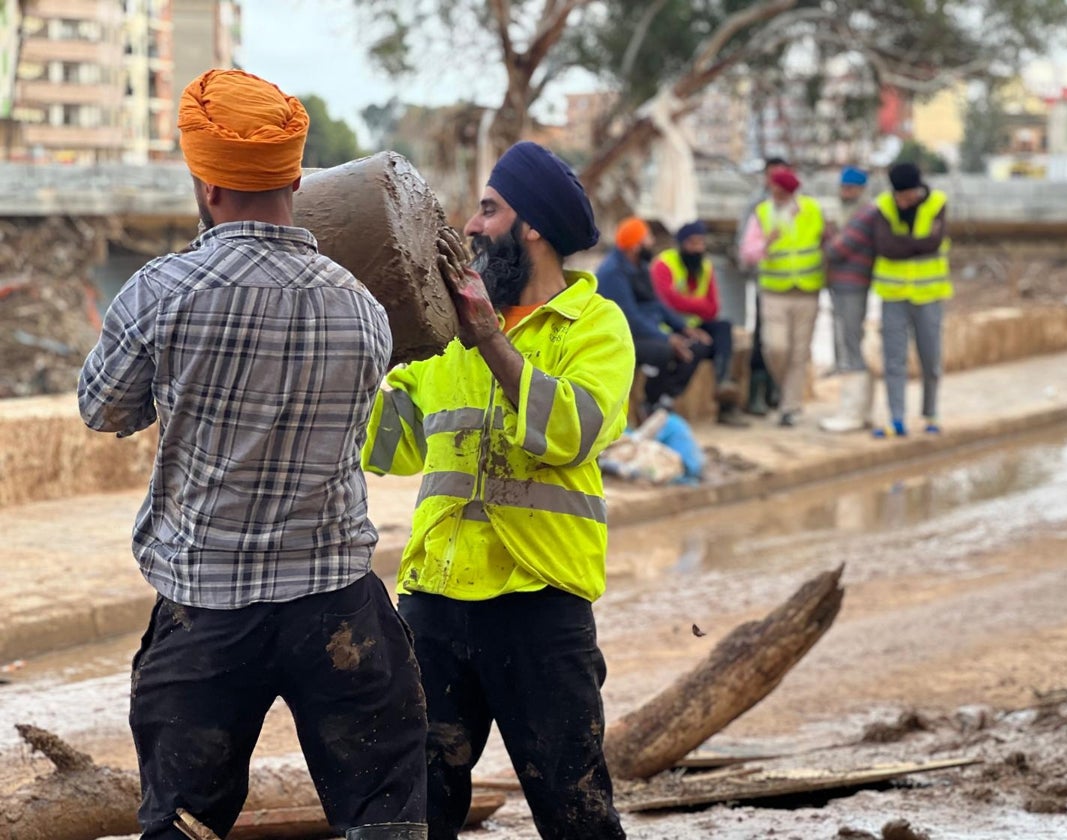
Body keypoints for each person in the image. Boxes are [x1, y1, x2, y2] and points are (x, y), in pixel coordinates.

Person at [77, 69, 427, 840]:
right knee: (384, 821)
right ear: (295, 177)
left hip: (206, 612)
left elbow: (104, 410)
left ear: (207, 186)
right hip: (338, 608)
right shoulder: (362, 309)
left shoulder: (159, 292)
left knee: (185, 827)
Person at [362, 141, 632, 840]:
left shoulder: (596, 328)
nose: (473, 227)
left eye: (489, 209)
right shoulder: (446, 337)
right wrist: (367, 353)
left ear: (532, 226)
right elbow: (389, 449)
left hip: (540, 606)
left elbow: (569, 433)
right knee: (414, 814)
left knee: (577, 816)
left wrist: (490, 338)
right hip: (435, 600)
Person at [596, 216, 713, 416]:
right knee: (666, 351)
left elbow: (657, 304)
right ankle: (649, 402)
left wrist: (683, 328)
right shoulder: (612, 272)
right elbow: (629, 317)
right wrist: (668, 338)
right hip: (624, 335)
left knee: (696, 345)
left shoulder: (640, 266)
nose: (652, 242)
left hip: (648, 330)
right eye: (648, 237)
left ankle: (664, 399)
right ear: (635, 245)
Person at [869, 162, 952, 438]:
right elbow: (885, 247)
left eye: (909, 195)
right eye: (900, 196)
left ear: (919, 189)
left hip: (929, 295)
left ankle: (931, 414)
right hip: (893, 295)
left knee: (930, 358)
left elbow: (934, 243)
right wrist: (917, 244)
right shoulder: (882, 207)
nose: (905, 201)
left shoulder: (937, 203)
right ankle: (896, 418)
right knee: (894, 359)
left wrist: (904, 245)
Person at [739, 166, 826, 427]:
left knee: (800, 352)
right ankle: (780, 386)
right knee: (776, 347)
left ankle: (790, 407)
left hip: (807, 290)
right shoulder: (762, 213)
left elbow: (824, 241)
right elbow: (747, 253)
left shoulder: (811, 209)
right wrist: (766, 242)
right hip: (774, 291)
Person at [651, 220, 747, 426]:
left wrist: (688, 304)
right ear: (682, 244)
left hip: (696, 323)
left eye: (701, 243)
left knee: (724, 328)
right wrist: (698, 305)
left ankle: (724, 382)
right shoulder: (664, 264)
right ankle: (665, 400)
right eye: (693, 243)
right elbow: (666, 301)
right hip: (670, 326)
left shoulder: (705, 266)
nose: (698, 248)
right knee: (696, 348)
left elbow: (713, 308)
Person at [821, 165, 877, 433]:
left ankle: (853, 412)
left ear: (861, 189)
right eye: (843, 187)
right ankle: (859, 409)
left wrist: (828, 236)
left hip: (853, 284)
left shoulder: (865, 214)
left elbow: (837, 249)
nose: (846, 192)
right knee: (847, 341)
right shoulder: (848, 213)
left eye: (851, 188)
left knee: (850, 343)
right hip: (842, 284)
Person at [740, 157, 790, 415]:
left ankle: (777, 390)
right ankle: (756, 394)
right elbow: (744, 249)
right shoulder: (757, 206)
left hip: (794, 285)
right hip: (766, 285)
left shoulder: (799, 206)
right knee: (762, 339)